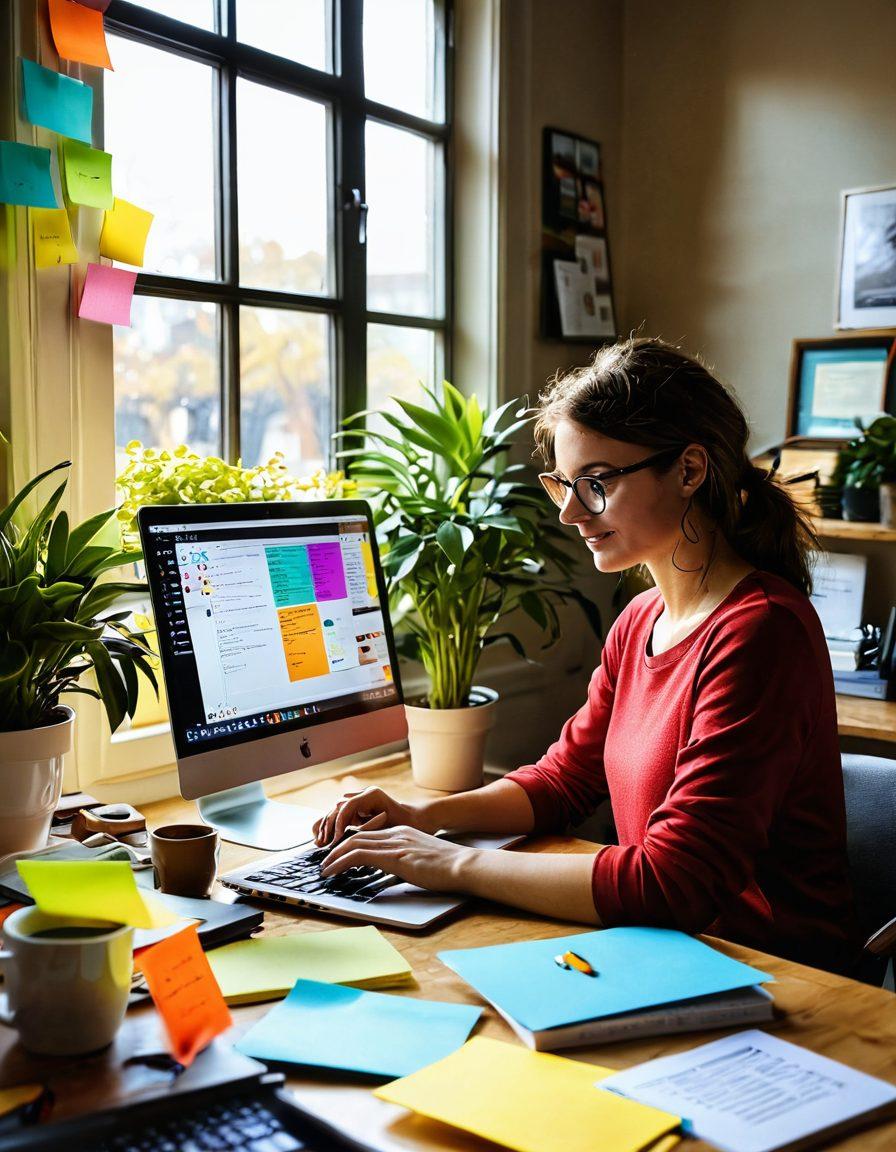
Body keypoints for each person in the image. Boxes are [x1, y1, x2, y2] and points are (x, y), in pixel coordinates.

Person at [315, 337, 856, 973]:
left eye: (596, 484)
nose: (570, 512)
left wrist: (452, 862)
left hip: (776, 976)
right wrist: (423, 815)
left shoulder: (761, 632)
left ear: (688, 470)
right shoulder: (640, 620)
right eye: (563, 485)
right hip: (670, 955)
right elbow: (563, 781)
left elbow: (673, 882)